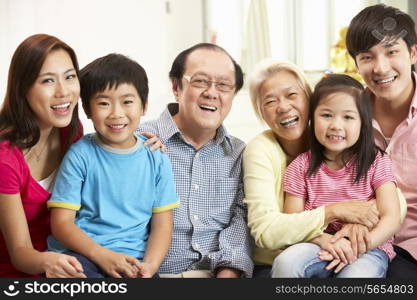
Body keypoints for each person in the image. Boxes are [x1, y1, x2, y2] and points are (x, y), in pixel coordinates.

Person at [243, 60, 406, 278]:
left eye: (348, 117)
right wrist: (328, 239)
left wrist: (358, 243)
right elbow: (294, 220)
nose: (336, 125)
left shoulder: (376, 161)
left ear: (363, 122)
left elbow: (392, 215)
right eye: (327, 115)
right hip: (316, 245)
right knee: (286, 263)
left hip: (368, 248)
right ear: (314, 114)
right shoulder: (299, 166)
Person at [47, 54, 179, 278]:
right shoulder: (80, 155)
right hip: (85, 255)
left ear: (144, 106)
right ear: (88, 110)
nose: (116, 113)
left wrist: (151, 266)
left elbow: (162, 226)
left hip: (134, 261)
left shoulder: (156, 157)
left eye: (127, 102)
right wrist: (101, 255)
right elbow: (61, 223)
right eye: (104, 103)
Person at [139, 43, 253, 278]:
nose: (212, 93)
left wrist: (229, 273)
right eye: (200, 81)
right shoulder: (137, 141)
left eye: (223, 85)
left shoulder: (240, 153)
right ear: (176, 87)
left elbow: (240, 222)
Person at [0, 34, 86, 278]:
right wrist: (51, 261)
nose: (63, 91)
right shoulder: (5, 159)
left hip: (69, 265)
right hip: (21, 275)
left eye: (70, 77)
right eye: (48, 81)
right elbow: (20, 252)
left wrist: (140, 144)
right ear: (23, 88)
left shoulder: (70, 132)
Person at [346, 4, 417, 278]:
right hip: (359, 244)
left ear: (412, 53)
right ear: (356, 64)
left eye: (391, 51)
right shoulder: (345, 117)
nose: (381, 67)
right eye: (367, 57)